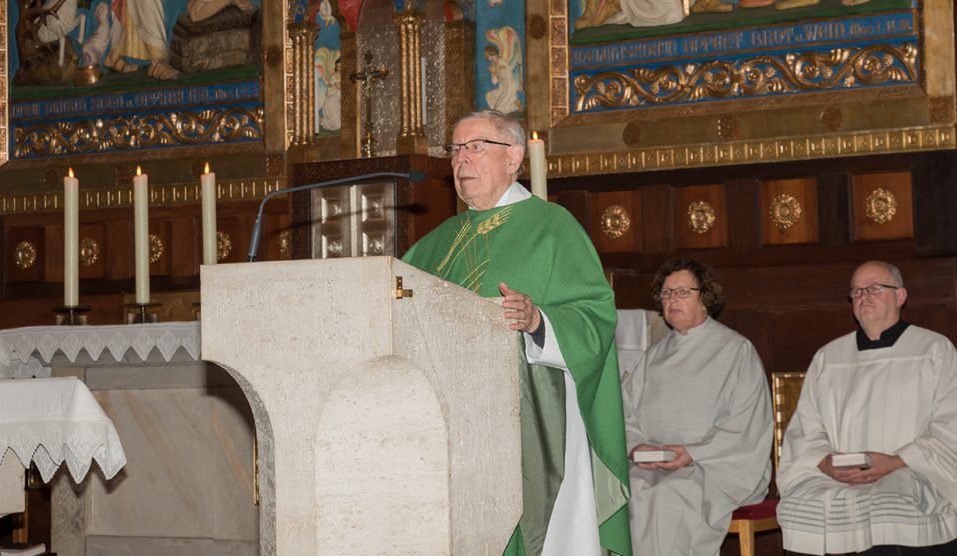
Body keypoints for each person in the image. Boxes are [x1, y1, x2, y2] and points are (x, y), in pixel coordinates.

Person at [403, 110, 632, 556]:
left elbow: (595, 315)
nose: (461, 160)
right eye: (455, 150)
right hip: (442, 429)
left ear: (513, 158)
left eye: (475, 147)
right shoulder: (433, 244)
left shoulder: (552, 228)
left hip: (528, 426)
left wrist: (537, 321)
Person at [777, 261, 957, 555]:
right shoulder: (829, 356)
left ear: (900, 296)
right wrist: (825, 463)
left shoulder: (934, 349)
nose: (864, 296)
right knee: (803, 504)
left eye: (875, 288)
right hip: (838, 475)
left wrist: (895, 462)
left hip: (908, 468)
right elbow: (807, 428)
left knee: (890, 500)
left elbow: (950, 425)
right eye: (857, 291)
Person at [622, 258, 773, 555]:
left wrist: (692, 453)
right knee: (624, 492)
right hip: (653, 467)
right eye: (666, 294)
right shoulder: (651, 357)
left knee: (668, 496)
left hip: (713, 468)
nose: (671, 300)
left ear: (705, 298)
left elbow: (747, 424)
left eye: (681, 292)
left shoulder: (734, 350)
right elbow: (625, 415)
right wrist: (635, 448)